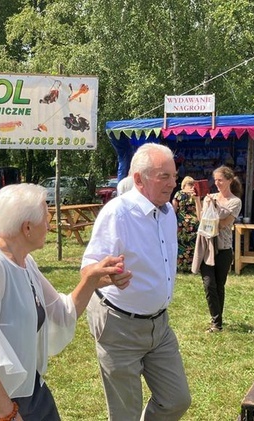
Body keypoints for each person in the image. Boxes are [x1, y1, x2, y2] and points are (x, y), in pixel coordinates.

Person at [0, 183, 130, 421]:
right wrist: (8, 413)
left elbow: (62, 312)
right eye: (46, 218)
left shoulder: (24, 261)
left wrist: (92, 279)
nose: (49, 225)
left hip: (27, 389)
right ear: (27, 228)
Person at [82, 143, 192, 421]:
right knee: (125, 414)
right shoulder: (117, 213)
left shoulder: (166, 212)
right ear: (139, 179)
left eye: (174, 176)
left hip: (159, 325)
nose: (173, 183)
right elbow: (88, 269)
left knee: (177, 400)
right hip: (119, 325)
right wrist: (107, 276)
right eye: (164, 176)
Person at [192, 166, 242, 333]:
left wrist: (214, 207)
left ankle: (217, 323)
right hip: (207, 246)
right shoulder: (210, 198)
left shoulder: (235, 201)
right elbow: (201, 220)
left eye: (220, 179)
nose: (217, 183)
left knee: (219, 285)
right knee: (208, 284)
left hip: (223, 248)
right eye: (215, 180)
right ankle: (216, 321)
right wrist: (198, 200)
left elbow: (222, 224)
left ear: (229, 180)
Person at [172, 176, 201, 272]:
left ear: (183, 185)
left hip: (182, 225)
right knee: (193, 247)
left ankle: (181, 266)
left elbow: (173, 209)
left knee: (181, 245)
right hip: (194, 224)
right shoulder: (196, 194)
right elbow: (199, 210)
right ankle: (192, 267)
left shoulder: (179, 194)